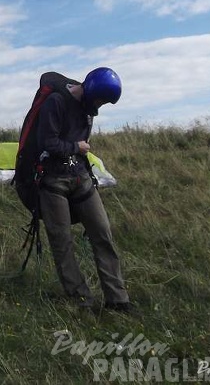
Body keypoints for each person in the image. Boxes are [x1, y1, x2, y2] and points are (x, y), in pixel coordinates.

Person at [35, 67, 132, 313]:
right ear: (90, 90)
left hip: (81, 178)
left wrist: (78, 151)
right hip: (53, 182)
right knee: (62, 242)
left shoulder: (88, 110)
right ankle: (81, 299)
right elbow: (47, 141)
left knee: (102, 233)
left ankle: (117, 299)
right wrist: (75, 147)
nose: (99, 106)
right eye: (99, 100)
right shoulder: (56, 102)